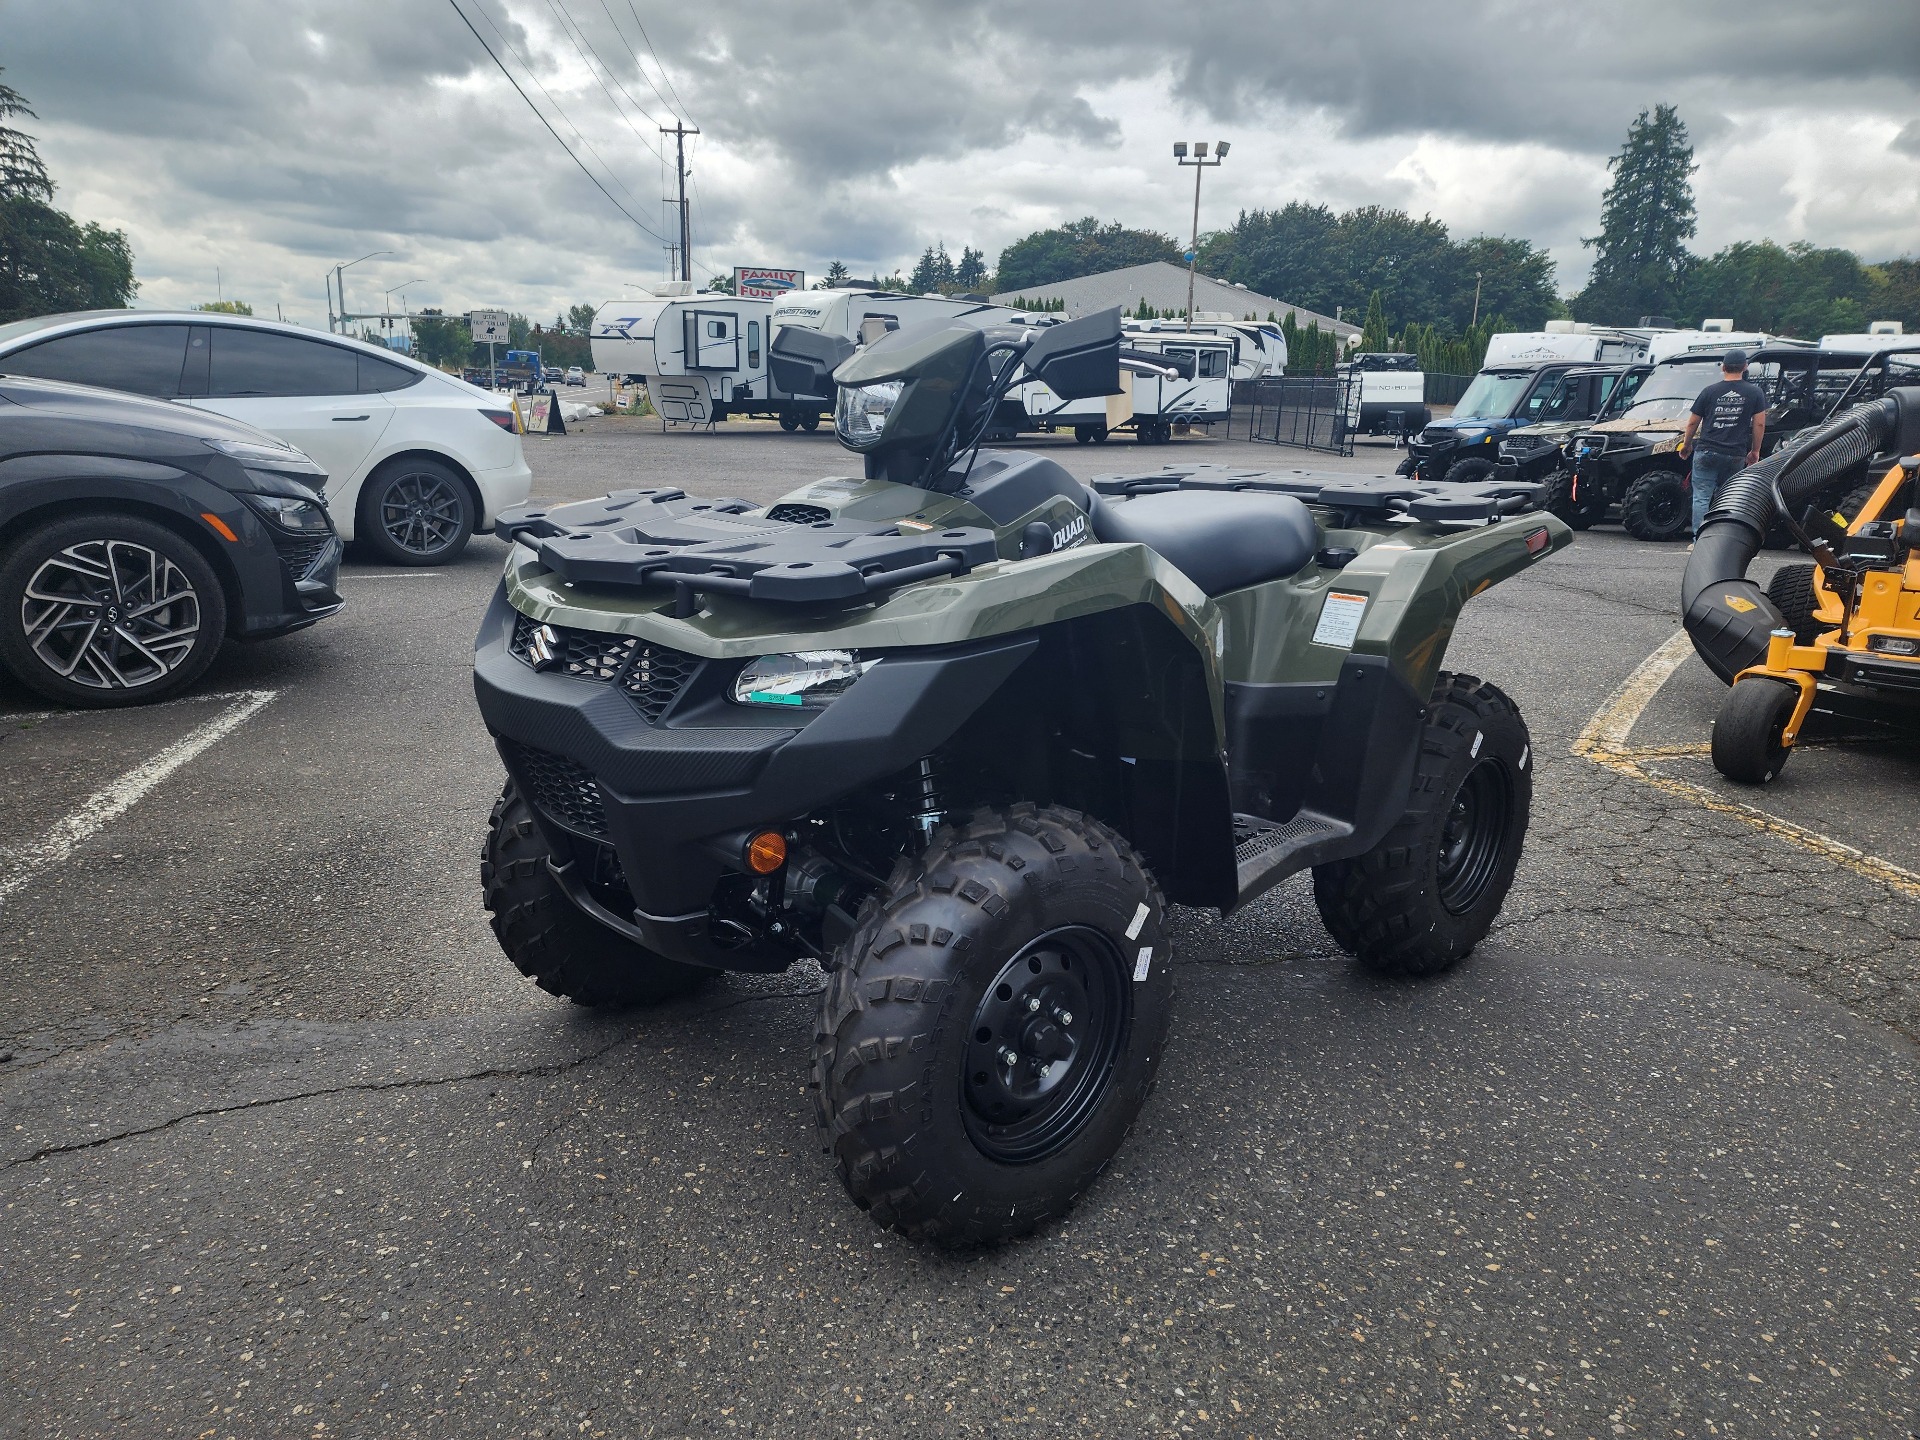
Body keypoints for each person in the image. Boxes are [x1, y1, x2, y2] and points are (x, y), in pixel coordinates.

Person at [1678, 349, 1768, 540]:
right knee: (1728, 497)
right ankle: (1722, 539)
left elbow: (1693, 422)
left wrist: (1687, 445)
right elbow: (1759, 423)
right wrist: (1755, 451)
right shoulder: (1755, 393)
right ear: (1745, 367)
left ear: (1723, 367)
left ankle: (1700, 539)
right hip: (1735, 453)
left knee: (1701, 496)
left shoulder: (1709, 391)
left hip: (1707, 450)